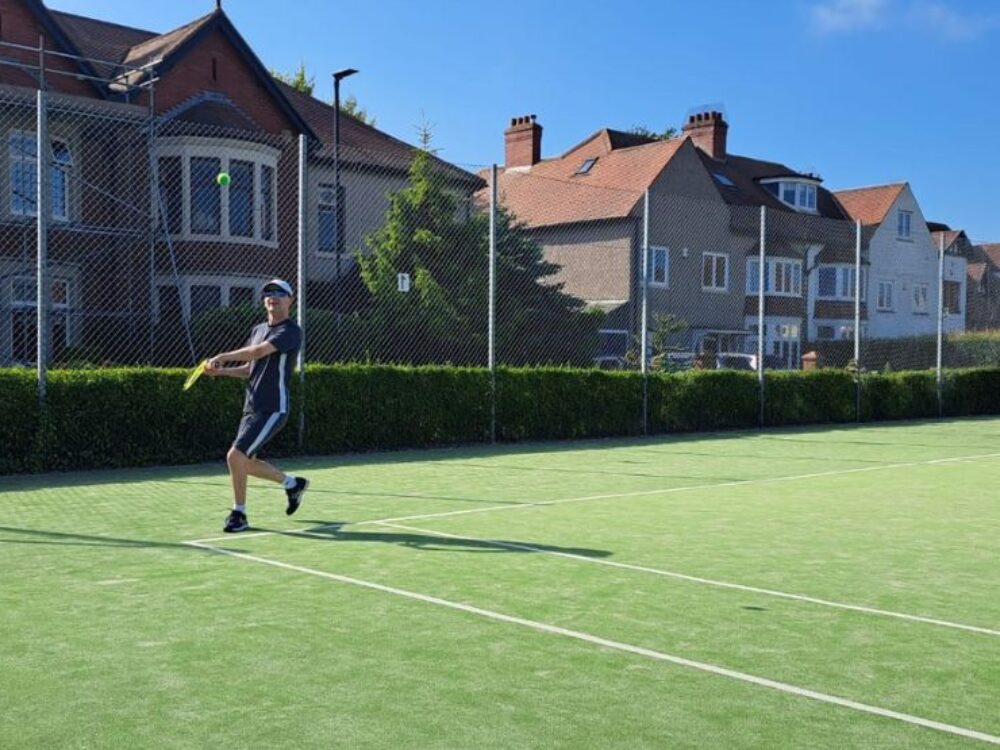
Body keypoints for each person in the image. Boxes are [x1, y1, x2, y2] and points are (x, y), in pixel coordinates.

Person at [205, 278, 308, 533]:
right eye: (268, 293)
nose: (273, 297)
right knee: (245, 461)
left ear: (290, 300)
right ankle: (292, 484)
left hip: (274, 407)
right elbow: (251, 368)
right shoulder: (258, 329)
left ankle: (239, 513)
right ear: (264, 301)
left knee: (234, 456)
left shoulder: (291, 331)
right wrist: (224, 372)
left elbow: (258, 352)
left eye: (279, 293)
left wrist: (221, 357)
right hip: (251, 407)